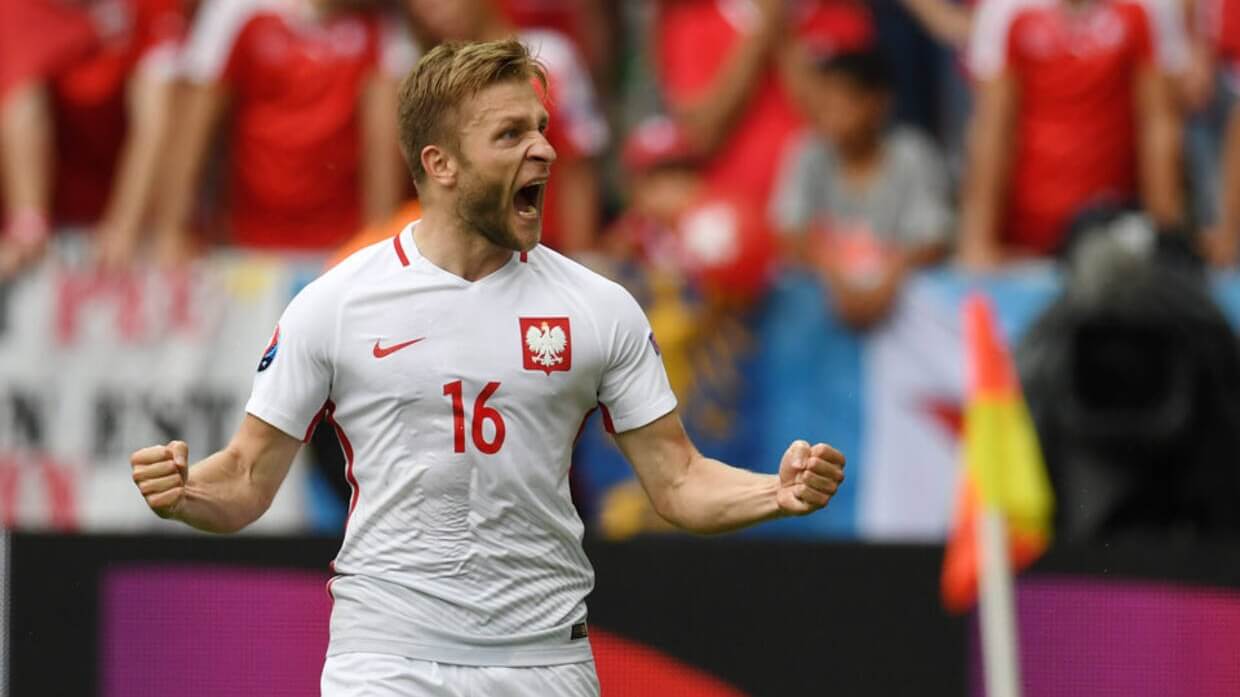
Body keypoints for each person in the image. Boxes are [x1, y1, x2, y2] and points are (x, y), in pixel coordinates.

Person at [128, 39, 846, 695]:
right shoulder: (336, 303)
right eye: (511, 135)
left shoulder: (600, 309)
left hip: (544, 664)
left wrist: (774, 491)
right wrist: (186, 491)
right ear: (440, 164)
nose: (545, 151)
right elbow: (247, 477)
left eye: (542, 128)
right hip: (387, 662)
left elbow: (679, 480)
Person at [151, 0, 411, 258]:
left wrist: (378, 247)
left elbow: (383, 146)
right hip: (244, 241)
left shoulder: (384, 22)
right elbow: (192, 127)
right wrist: (170, 231)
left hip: (342, 246)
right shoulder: (237, 9)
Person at [958, 0, 1188, 267]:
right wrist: (978, 240)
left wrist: (1166, 236)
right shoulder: (1005, 10)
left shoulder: (1148, 8)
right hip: (1024, 240)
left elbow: (1159, 125)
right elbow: (991, 131)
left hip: (1114, 233)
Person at [402, 0, 608, 254]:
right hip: (465, 257)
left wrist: (579, 256)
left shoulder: (549, 58)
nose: (432, 11)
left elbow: (576, 167)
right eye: (419, 5)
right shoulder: (423, 79)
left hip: (546, 246)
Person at [0, 0, 188, 276]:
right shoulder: (16, 9)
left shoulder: (151, 8)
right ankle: (28, 225)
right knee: (21, 99)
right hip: (55, 209)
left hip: (135, 212)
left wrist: (123, 226)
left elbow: (155, 123)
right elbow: (18, 103)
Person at [771, 50, 952, 330]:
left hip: (902, 316)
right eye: (823, 103)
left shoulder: (913, 155)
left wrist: (890, 280)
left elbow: (934, 237)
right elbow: (789, 229)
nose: (829, 114)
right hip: (827, 311)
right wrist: (832, 274)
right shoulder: (808, 153)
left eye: (841, 103)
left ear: (877, 103)